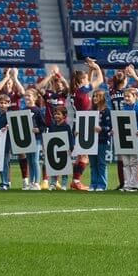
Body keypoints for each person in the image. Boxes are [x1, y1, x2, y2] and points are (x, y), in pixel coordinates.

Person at [68, 58, 103, 191]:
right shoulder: (82, 91)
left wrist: (90, 69)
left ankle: (75, 181)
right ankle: (76, 181)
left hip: (78, 123)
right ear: (81, 81)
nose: (87, 80)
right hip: (84, 124)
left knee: (80, 155)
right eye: (85, 79)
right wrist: (97, 67)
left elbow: (88, 81)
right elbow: (99, 80)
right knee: (85, 156)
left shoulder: (75, 91)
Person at [119, 87, 138, 192]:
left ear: (135, 96)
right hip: (125, 138)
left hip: (135, 138)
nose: (126, 98)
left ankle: (133, 184)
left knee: (133, 162)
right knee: (125, 162)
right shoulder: (124, 108)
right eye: (125, 96)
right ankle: (127, 184)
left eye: (128, 96)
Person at [45, 107, 74, 191]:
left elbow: (70, 138)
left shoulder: (67, 126)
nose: (56, 116)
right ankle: (53, 184)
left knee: (64, 168)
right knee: (54, 167)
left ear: (64, 116)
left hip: (64, 150)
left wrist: (70, 149)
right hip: (54, 150)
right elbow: (49, 138)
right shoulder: (52, 126)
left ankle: (64, 184)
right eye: (55, 114)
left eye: (58, 114)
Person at [90, 90, 111, 192]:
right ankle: (93, 184)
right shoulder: (91, 111)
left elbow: (110, 127)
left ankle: (102, 185)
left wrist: (102, 129)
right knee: (93, 164)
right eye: (94, 96)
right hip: (91, 141)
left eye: (97, 96)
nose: (94, 98)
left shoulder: (107, 111)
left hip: (102, 141)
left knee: (101, 163)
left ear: (102, 98)